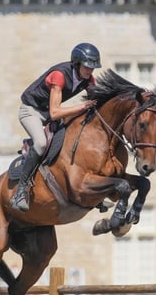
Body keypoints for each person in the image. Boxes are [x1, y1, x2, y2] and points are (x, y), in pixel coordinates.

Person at [10, 42, 101, 212]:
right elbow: (54, 113)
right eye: (87, 67)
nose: (90, 71)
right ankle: (21, 191)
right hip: (32, 111)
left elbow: (98, 101)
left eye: (93, 68)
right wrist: (82, 107)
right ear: (77, 63)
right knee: (41, 144)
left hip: (49, 114)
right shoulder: (59, 75)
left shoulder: (88, 79)